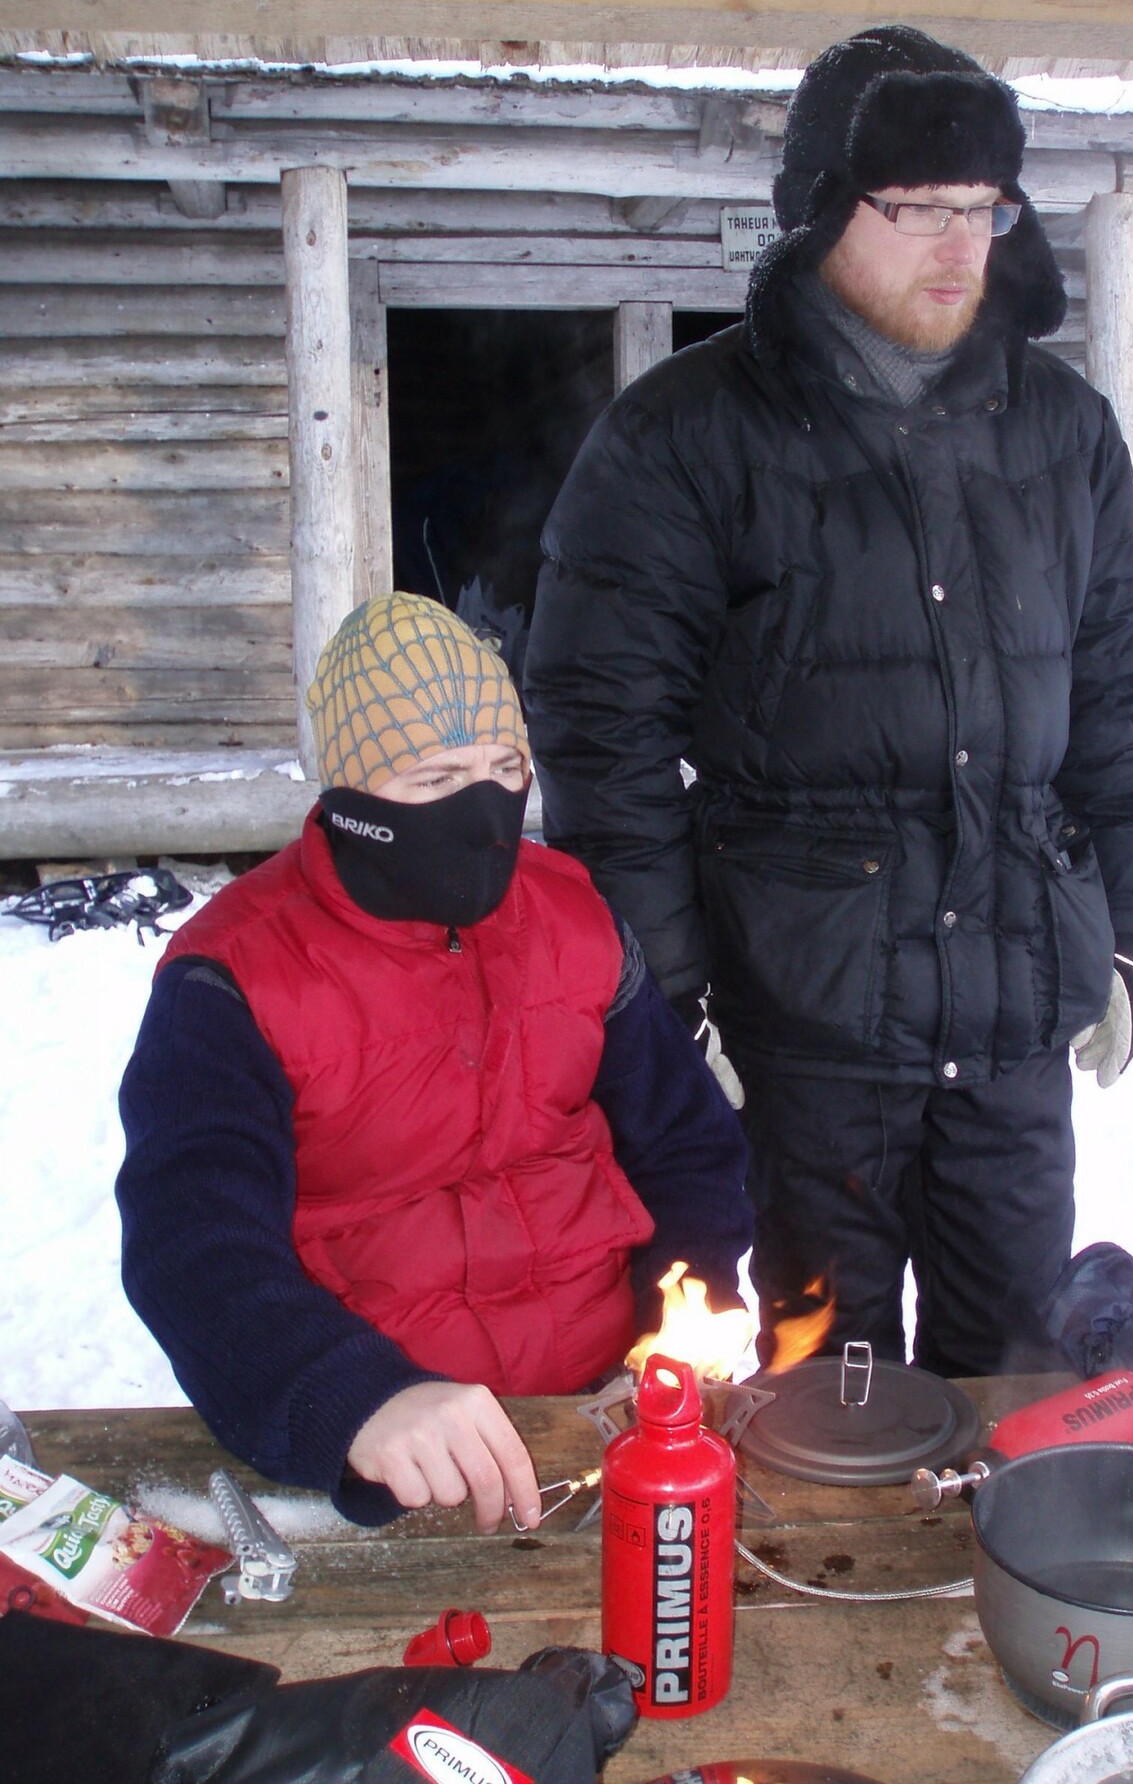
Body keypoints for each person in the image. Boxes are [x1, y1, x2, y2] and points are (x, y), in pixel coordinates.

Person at [524, 26, 1133, 1379]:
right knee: (832, 1392)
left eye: (984, 208)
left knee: (1015, 1377)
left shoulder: (1065, 432)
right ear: (823, 211)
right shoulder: (685, 437)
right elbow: (605, 733)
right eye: (917, 209)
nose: (960, 246)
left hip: (1014, 1007)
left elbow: (1120, 690)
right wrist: (666, 990)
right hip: (805, 1020)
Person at [116, 593, 752, 1529]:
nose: (484, 809)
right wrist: (352, 1398)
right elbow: (192, 1240)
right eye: (438, 777)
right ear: (351, 798)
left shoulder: (573, 919)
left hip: (611, 1413)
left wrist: (684, 1317)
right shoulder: (237, 974)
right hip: (390, 1454)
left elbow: (685, 1146)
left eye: (506, 769)